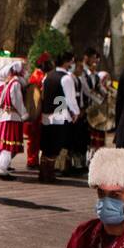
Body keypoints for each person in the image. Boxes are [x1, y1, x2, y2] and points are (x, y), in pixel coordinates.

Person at [38, 49, 79, 183]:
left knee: (46, 145)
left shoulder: (47, 76)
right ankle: (48, 174)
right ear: (68, 62)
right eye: (72, 61)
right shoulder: (66, 78)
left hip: (46, 114)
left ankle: (43, 173)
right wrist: (76, 112)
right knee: (55, 145)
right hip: (60, 115)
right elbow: (70, 98)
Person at [0, 61, 27, 178]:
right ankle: (2, 168)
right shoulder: (15, 83)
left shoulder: (4, 83)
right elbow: (16, 100)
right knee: (8, 145)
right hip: (11, 118)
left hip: (1, 118)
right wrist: (24, 114)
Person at [24, 52, 52, 170]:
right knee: (34, 138)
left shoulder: (40, 74)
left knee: (37, 138)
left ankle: (34, 160)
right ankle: (32, 160)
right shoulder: (38, 75)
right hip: (37, 111)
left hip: (40, 112)